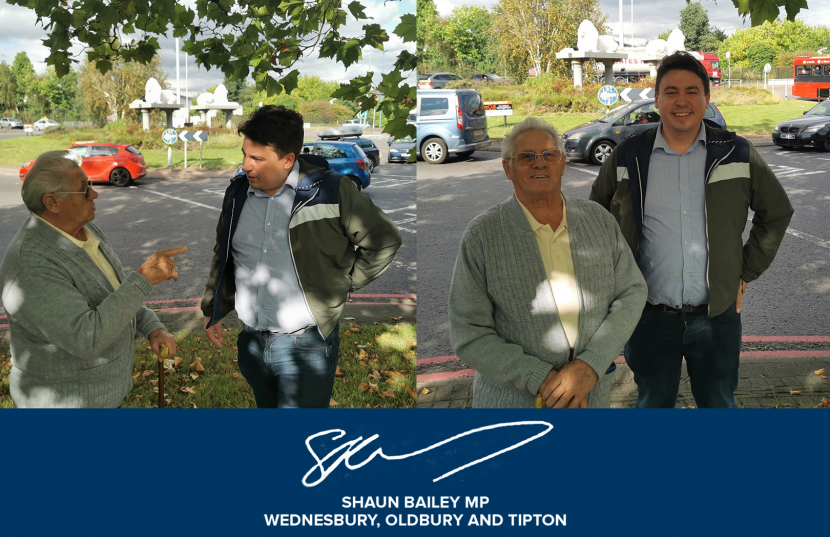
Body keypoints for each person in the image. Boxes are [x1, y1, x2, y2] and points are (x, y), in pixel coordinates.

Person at [590, 51, 794, 408]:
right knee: (652, 405)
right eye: (670, 92)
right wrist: (612, 284)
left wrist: (744, 272)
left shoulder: (737, 153)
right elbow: (595, 224)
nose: (681, 101)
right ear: (656, 99)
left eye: (691, 91)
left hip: (715, 319)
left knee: (718, 404)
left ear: (706, 99)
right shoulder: (627, 156)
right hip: (647, 317)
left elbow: (776, 213)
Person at [201, 105, 402, 408]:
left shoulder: (332, 191)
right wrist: (213, 307)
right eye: (245, 155)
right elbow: (225, 252)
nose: (246, 166)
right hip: (252, 340)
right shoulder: (237, 193)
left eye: (256, 158)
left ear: (287, 160)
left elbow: (384, 240)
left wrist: (342, 283)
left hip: (305, 345)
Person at [448, 117, 647, 408]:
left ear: (562, 164)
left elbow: (632, 291)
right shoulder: (482, 235)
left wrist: (589, 366)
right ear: (508, 168)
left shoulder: (599, 221)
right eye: (526, 157)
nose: (539, 163)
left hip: (591, 399)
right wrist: (543, 379)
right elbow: (469, 332)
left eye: (548, 155)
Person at [0, 150, 185, 408]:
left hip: (103, 398)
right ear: (52, 202)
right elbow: (86, 339)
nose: (94, 194)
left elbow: (114, 295)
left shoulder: (84, 229)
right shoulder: (31, 264)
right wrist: (142, 279)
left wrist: (152, 327)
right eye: (84, 189)